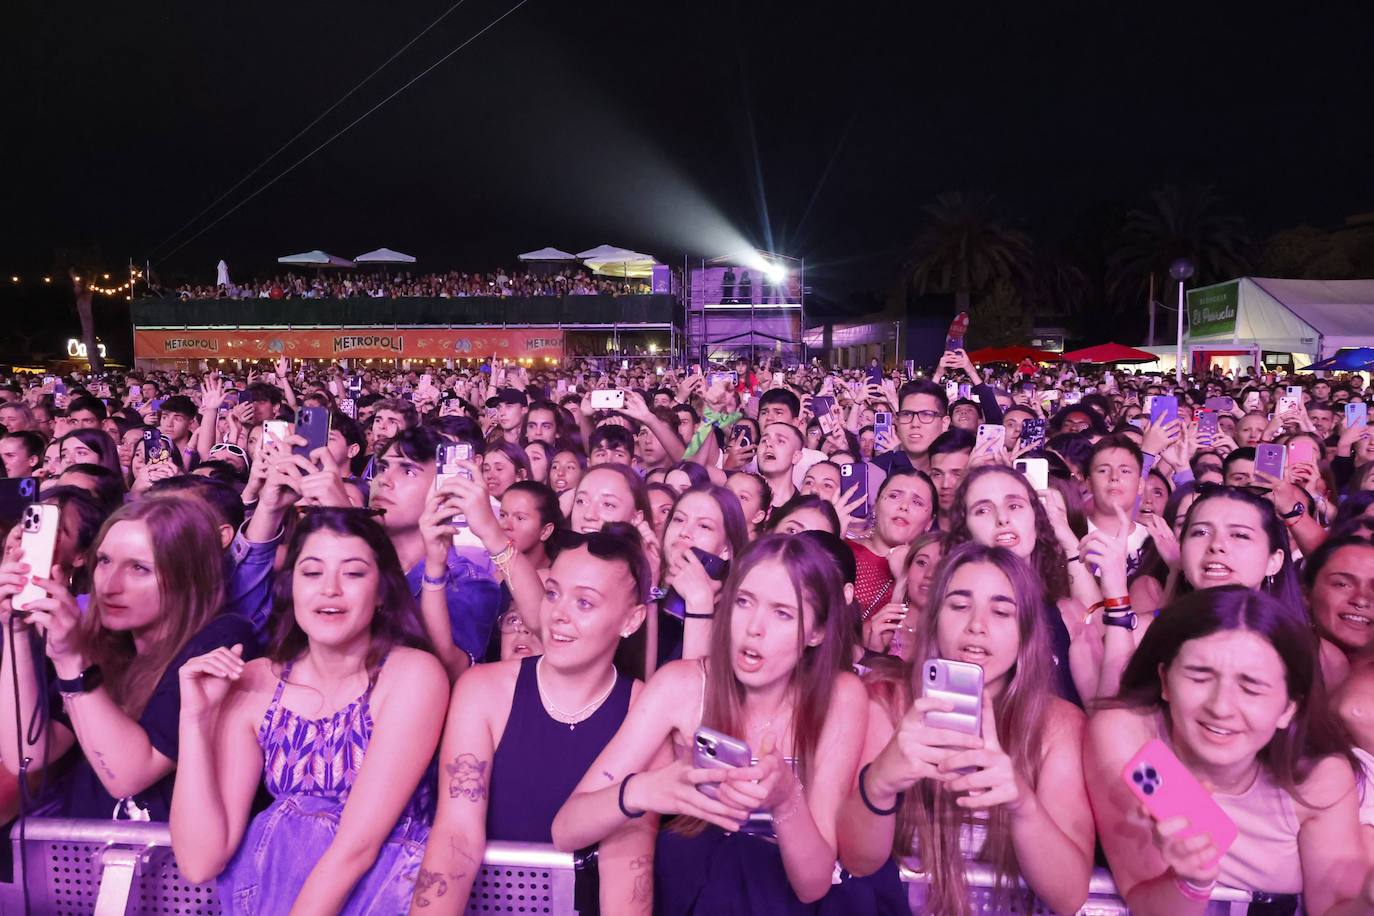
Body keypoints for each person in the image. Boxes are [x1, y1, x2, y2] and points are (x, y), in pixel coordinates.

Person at [551, 534, 874, 915]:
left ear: (817, 632)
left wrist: (787, 799)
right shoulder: (681, 685)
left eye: (783, 613)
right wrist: (640, 791)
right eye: (744, 601)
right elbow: (566, 828)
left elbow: (813, 884)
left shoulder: (840, 696)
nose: (755, 627)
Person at [171, 508, 447, 913]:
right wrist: (194, 718)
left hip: (383, 897)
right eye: (312, 573)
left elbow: (357, 846)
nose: (329, 589)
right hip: (267, 895)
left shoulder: (413, 675)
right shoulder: (255, 681)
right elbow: (199, 862)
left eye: (353, 573)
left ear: (382, 591)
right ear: (291, 587)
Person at [410, 517, 654, 915]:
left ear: (631, 620)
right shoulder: (483, 691)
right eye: (553, 594)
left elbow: (628, 866)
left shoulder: (643, 711)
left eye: (585, 602)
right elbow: (456, 837)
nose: (558, 614)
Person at [837, 543, 1093, 916]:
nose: (977, 625)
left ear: (1026, 632)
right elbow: (858, 863)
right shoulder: (885, 701)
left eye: (1002, 611)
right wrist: (879, 784)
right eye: (959, 606)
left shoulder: (1059, 725)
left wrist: (1022, 803)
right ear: (934, 617)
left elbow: (1070, 896)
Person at [1084, 586, 1374, 915]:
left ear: (1288, 708)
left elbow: (1333, 908)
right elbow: (1146, 899)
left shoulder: (1318, 777)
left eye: (1251, 688)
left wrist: (1366, 900)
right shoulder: (1133, 736)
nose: (1221, 707)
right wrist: (1191, 881)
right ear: (1165, 681)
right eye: (1200, 677)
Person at [0, 498, 258, 819]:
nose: (109, 586)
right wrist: (17, 630)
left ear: (189, 577)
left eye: (139, 568)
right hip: (88, 857)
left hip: (163, 863)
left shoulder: (224, 638)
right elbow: (26, 754)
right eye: (105, 561)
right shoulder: (108, 645)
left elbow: (128, 777)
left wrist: (71, 662)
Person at [847, 469, 936, 621]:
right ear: (876, 505)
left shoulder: (929, 573)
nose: (904, 506)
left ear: (930, 522)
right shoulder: (844, 548)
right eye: (894, 496)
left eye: (917, 502)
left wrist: (905, 578)